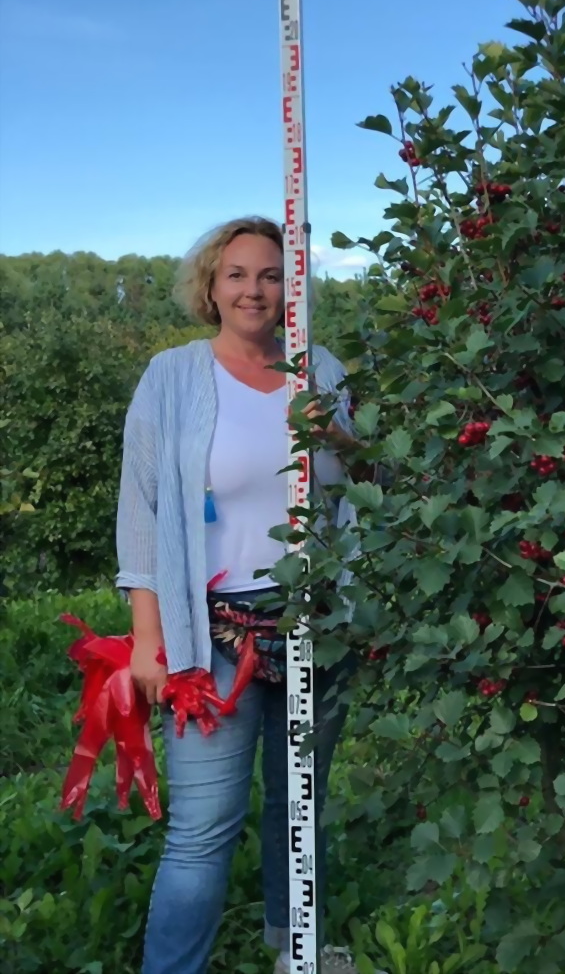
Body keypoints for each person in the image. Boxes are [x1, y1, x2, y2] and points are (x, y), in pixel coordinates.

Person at [118, 217, 361, 974]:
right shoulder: (172, 376)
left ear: (291, 288)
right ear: (211, 288)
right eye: (237, 274)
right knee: (202, 825)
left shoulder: (319, 366)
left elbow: (359, 494)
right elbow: (143, 510)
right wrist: (147, 639)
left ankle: (292, 946)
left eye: (270, 275)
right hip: (210, 635)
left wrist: (343, 440)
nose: (254, 289)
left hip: (312, 623)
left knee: (299, 809)